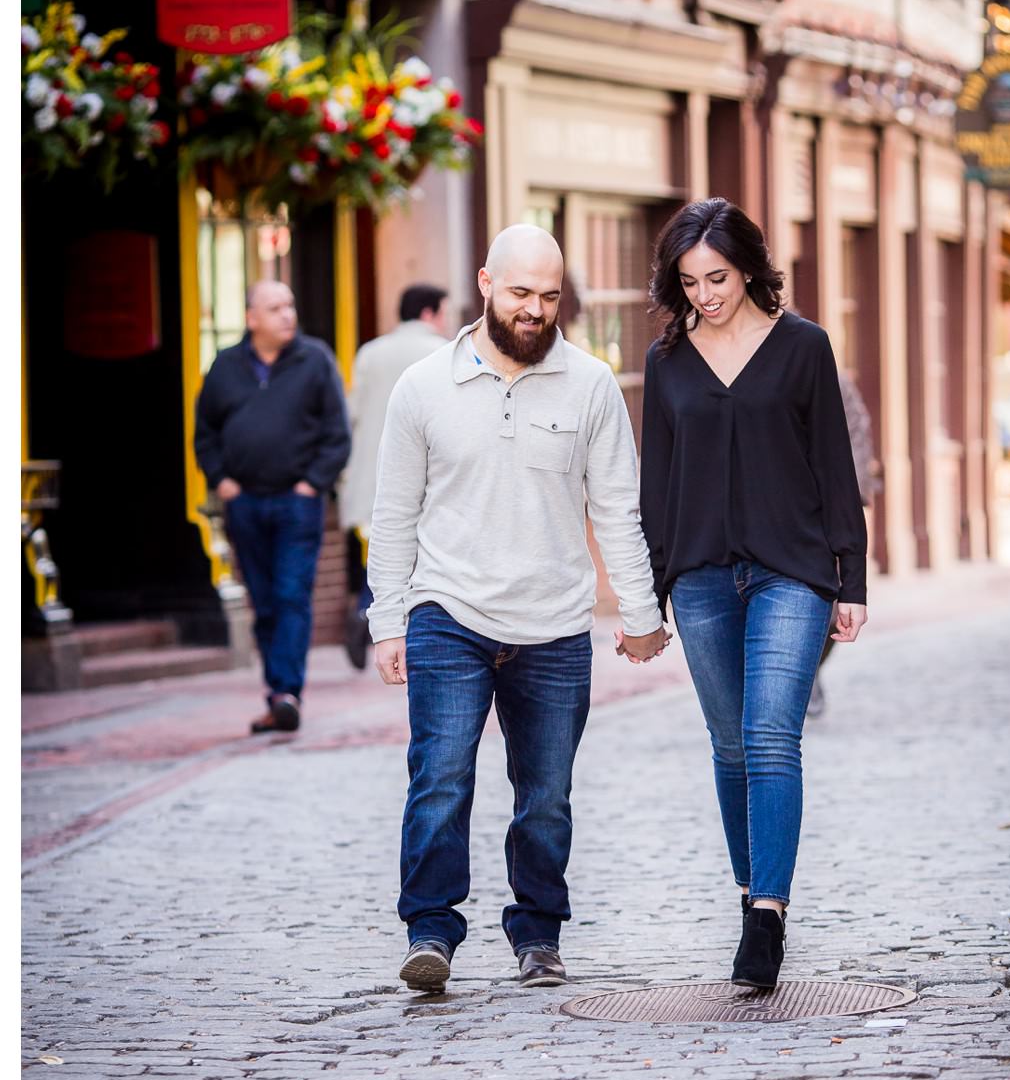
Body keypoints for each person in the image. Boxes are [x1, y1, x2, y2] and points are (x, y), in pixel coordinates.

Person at [367, 223, 669, 992]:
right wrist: (387, 622)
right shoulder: (422, 388)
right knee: (439, 776)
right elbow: (394, 513)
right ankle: (429, 931)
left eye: (548, 296)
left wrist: (639, 615)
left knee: (546, 796)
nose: (534, 310)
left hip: (555, 624)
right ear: (485, 284)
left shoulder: (592, 385)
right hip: (448, 611)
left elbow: (617, 511)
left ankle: (538, 934)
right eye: (521, 293)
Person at [640, 198, 867, 991]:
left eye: (718, 277)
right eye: (690, 280)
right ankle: (749, 895)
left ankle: (766, 916)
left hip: (791, 572)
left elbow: (835, 470)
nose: (705, 293)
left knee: (771, 735)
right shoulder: (666, 361)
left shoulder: (802, 347)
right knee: (730, 745)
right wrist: (649, 590)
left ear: (748, 270)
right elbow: (655, 485)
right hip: (700, 577)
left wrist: (850, 578)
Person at [194, 280, 351, 734]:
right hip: (244, 502)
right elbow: (205, 432)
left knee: (290, 594)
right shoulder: (225, 366)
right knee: (263, 602)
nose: (287, 314)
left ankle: (288, 692)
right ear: (251, 318)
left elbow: (336, 434)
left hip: (297, 502)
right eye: (275, 307)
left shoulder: (315, 360)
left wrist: (312, 484)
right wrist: (222, 481)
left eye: (290, 304)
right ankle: (278, 692)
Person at [337, 284, 452, 670]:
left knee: (381, 547)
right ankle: (374, 613)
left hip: (370, 471)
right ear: (429, 313)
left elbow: (353, 412)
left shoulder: (369, 353)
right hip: (421, 473)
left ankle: (364, 610)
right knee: (416, 554)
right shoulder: (441, 352)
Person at [806, 367, 880, 717]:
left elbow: (857, 434)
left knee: (828, 609)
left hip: (823, 515)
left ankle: (808, 673)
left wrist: (852, 494)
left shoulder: (823, 370)